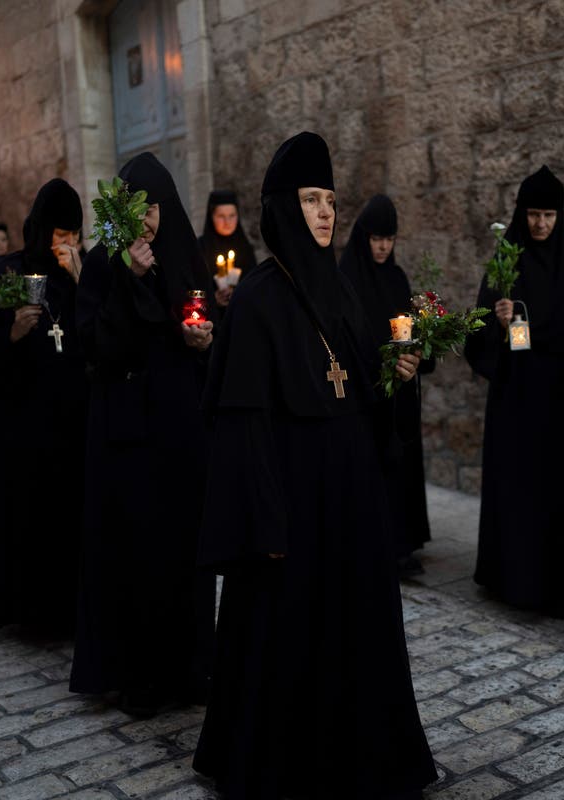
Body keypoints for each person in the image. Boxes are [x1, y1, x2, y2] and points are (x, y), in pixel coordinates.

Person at [193, 132, 435, 800]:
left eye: (331, 199)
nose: (327, 212)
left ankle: (368, 759)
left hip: (352, 505)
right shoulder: (259, 302)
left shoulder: (346, 291)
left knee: (357, 637)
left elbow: (361, 394)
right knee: (286, 642)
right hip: (293, 510)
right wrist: (265, 522)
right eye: (311, 199)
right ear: (281, 207)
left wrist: (398, 377)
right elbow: (243, 424)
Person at [70, 153, 216, 714]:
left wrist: (206, 342)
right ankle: (139, 676)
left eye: (156, 206)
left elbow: (205, 330)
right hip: (127, 436)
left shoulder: (186, 257)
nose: (150, 219)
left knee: (183, 551)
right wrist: (129, 281)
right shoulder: (104, 263)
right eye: (138, 208)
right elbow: (96, 346)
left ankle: (193, 666)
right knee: (137, 554)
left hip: (179, 429)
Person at [464, 165, 564, 619]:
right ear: (521, 215)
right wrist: (506, 326)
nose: (541, 224)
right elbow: (483, 340)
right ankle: (523, 581)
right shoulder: (506, 268)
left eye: (549, 215)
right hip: (521, 403)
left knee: (562, 494)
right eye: (533, 215)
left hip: (563, 404)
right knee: (526, 494)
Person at [0, 179, 88, 633]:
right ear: (42, 232)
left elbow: (104, 333)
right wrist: (11, 335)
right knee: (30, 522)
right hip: (25, 425)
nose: (69, 245)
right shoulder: (8, 273)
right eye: (61, 236)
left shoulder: (86, 276)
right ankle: (32, 616)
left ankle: (75, 612)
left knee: (71, 522)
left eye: (75, 235)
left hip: (75, 420)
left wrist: (83, 280)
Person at [338, 194, 433, 576]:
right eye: (377, 238)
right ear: (365, 238)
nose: (383, 247)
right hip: (368, 393)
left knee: (402, 466)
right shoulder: (347, 280)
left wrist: (416, 352)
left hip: (400, 391)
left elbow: (409, 331)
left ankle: (403, 544)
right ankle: (376, 546)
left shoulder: (397, 277)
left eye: (389, 240)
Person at [196, 190, 258, 311]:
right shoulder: (201, 247)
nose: (227, 222)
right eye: (221, 216)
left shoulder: (245, 247)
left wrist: (238, 293)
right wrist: (212, 300)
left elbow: (255, 285)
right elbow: (194, 289)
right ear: (211, 217)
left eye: (232, 215)